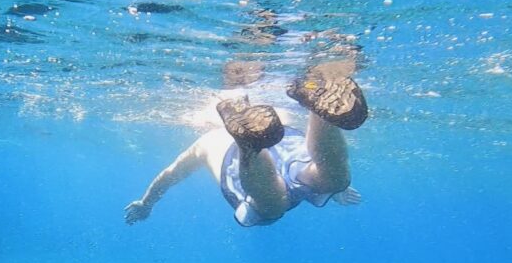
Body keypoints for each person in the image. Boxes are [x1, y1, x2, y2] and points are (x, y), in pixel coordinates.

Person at [124, 61, 366, 226]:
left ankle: (249, 145)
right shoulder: (275, 112)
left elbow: (169, 176)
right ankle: (319, 112)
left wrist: (146, 203)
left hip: (246, 161)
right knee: (333, 180)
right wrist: (335, 190)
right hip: (286, 138)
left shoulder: (206, 142)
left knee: (271, 208)